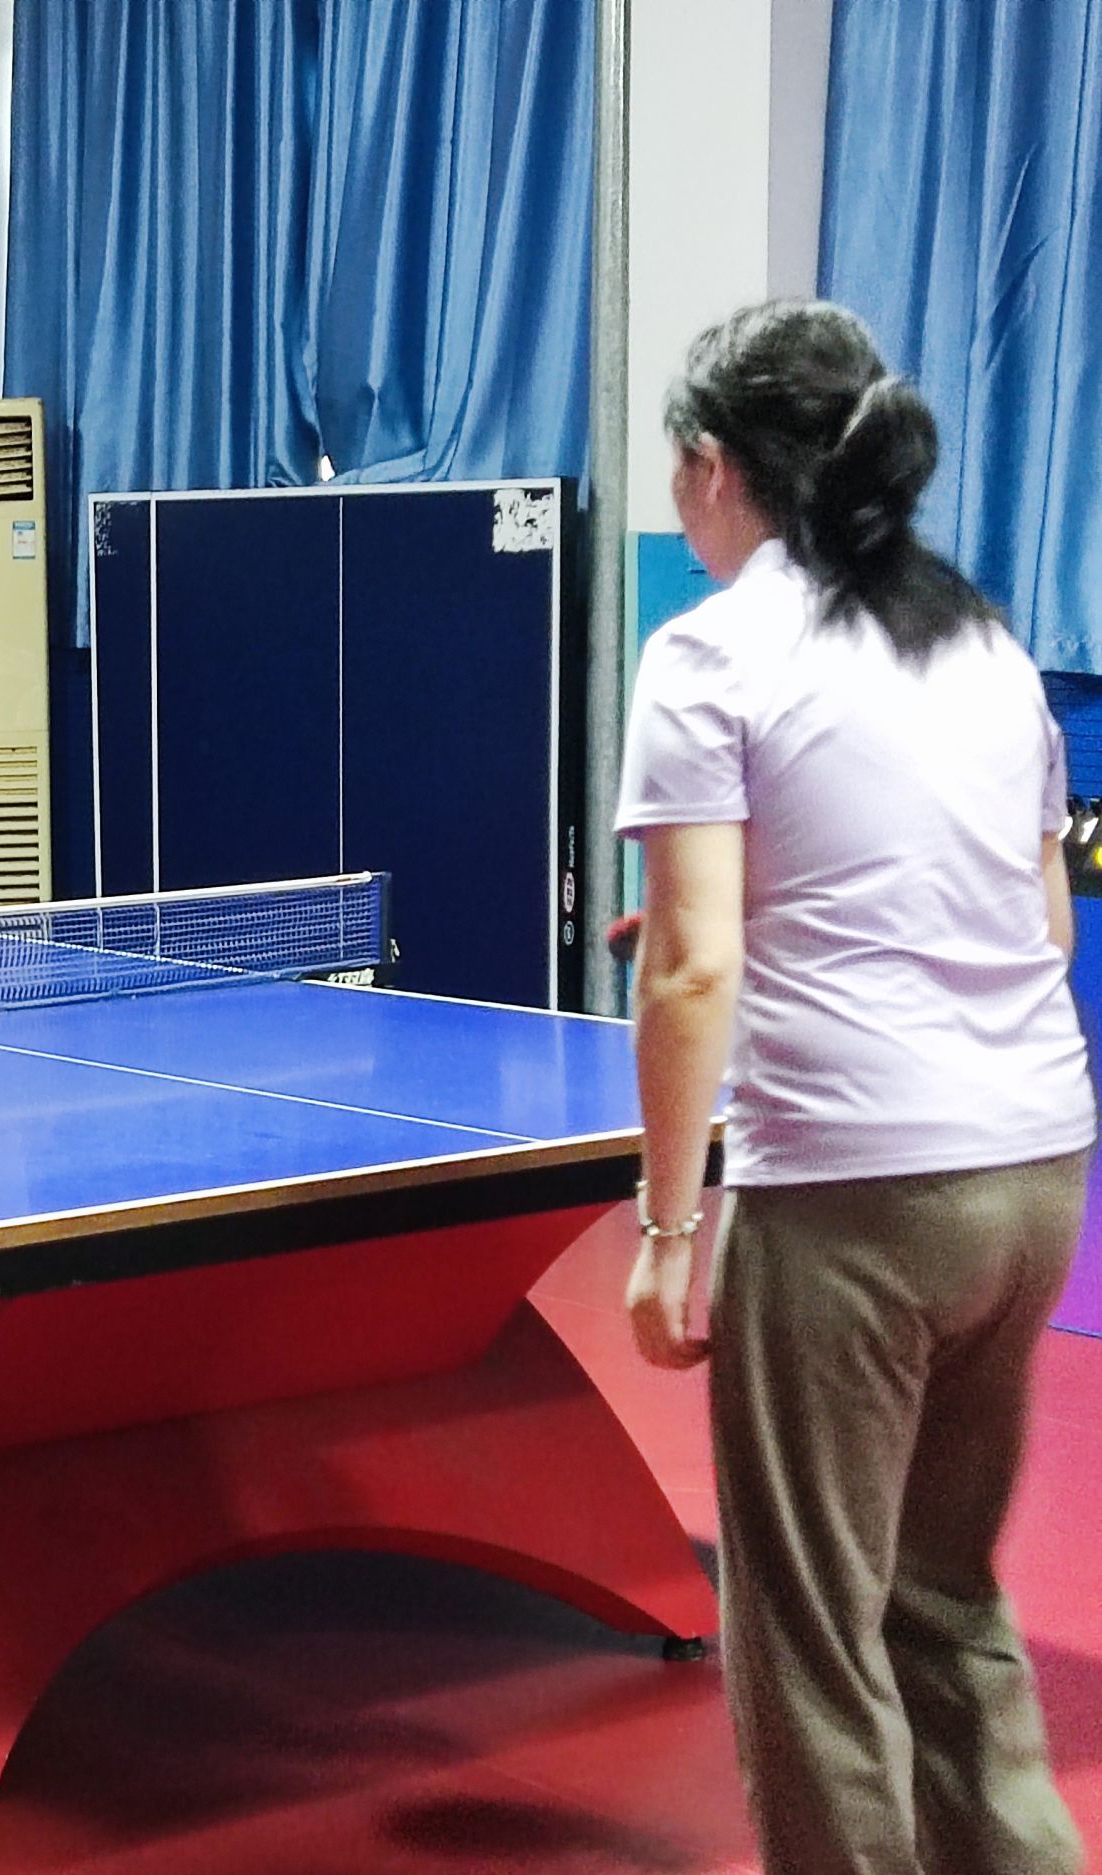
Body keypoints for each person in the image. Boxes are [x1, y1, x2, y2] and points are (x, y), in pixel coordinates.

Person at [617, 300, 1095, 1875]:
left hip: (852, 1192)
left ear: (712, 466)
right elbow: (1037, 920)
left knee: (812, 1633)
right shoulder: (987, 642)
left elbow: (691, 971)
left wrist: (667, 1229)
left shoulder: (706, 653)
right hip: (1035, 1173)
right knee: (945, 1596)